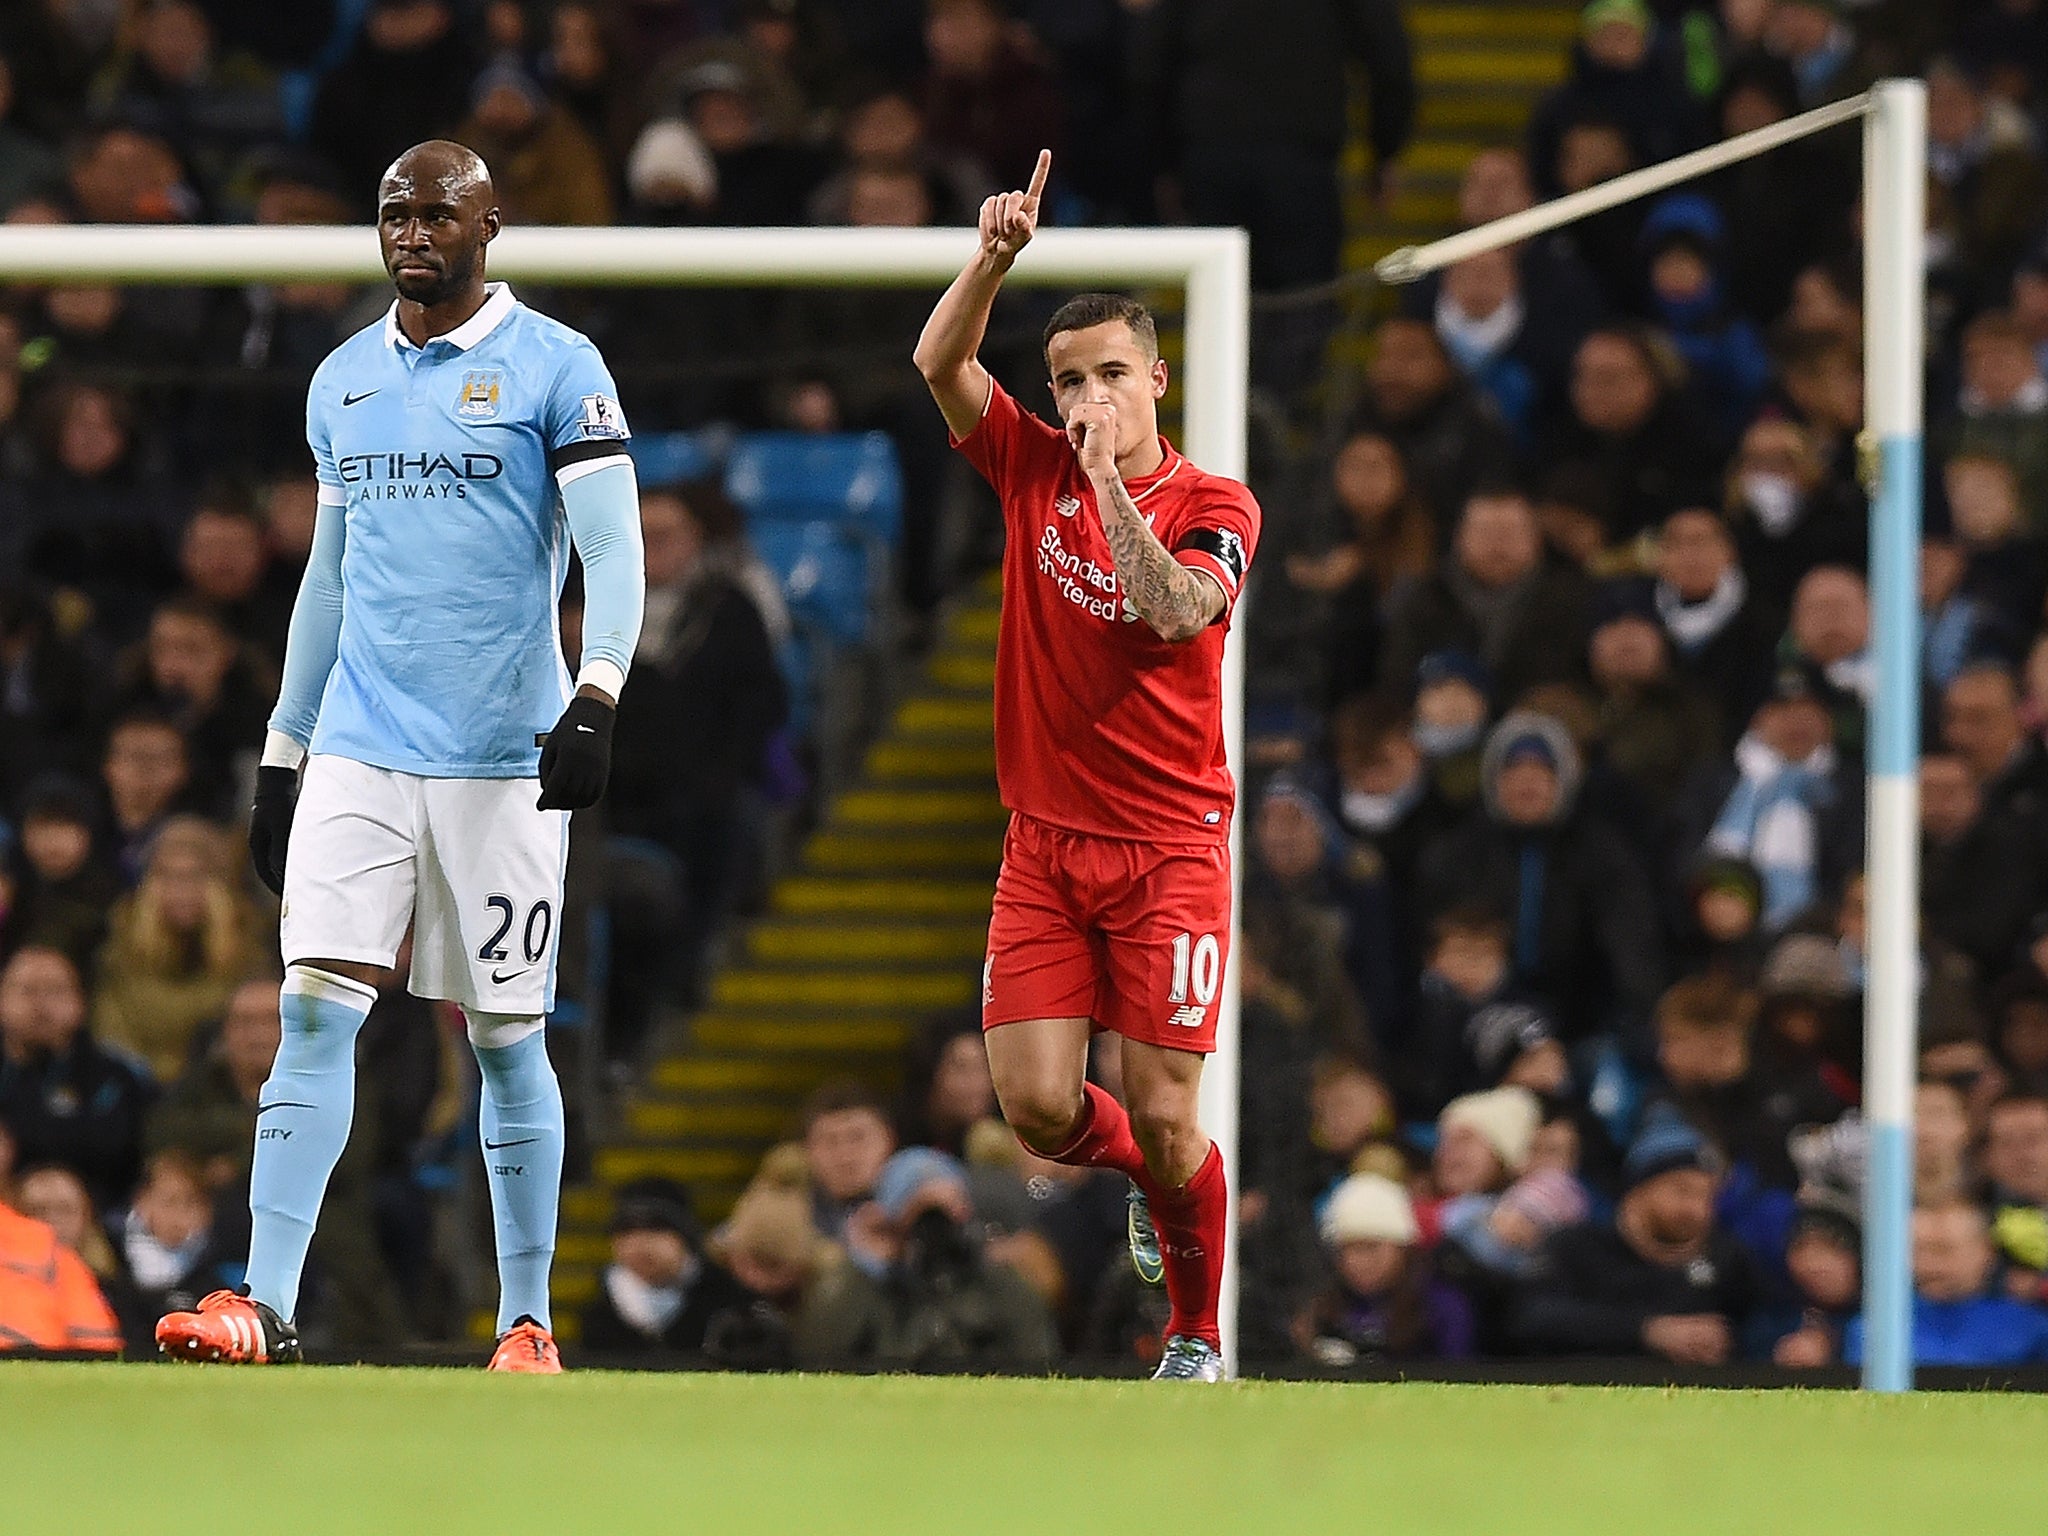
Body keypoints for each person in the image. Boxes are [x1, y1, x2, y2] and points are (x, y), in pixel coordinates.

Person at [156, 142, 646, 1374]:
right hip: (362, 755)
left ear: (490, 223)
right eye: (393, 213)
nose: (411, 231)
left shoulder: (558, 368)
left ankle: (524, 1324)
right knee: (311, 1011)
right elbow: (328, 581)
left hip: (501, 761)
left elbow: (614, 551)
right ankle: (263, 1306)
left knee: (500, 1038)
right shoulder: (339, 380)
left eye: (437, 211)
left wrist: (595, 696)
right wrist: (282, 753)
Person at [915, 149, 1262, 1381]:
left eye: (1110, 373)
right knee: (1042, 1117)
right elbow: (937, 364)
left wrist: (1108, 478)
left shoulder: (1217, 501)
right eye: (1067, 378)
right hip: (1047, 844)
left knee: (1171, 1117)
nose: (1085, 397)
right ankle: (1139, 1183)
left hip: (1172, 850)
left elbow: (1171, 610)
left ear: (1156, 377)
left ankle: (1195, 1337)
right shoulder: (1025, 466)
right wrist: (993, 257)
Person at [1515, 1113, 1760, 1361]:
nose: (1696, 1209)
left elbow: (1759, 1326)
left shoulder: (1726, 1258)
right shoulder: (1576, 1246)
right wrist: (1647, 1331)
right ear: (1639, 1189)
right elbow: (1534, 1317)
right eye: (1681, 1190)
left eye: (1707, 1196)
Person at [0, 946, 154, 1213]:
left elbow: (117, 1150)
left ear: (80, 1000)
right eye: (27, 991)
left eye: (55, 991)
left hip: (100, 1216)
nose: (41, 1005)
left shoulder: (115, 1076)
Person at [1294, 1172, 1474, 1365]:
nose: (1358, 1261)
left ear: (1403, 1249)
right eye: (1348, 1249)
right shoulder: (1323, 1309)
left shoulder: (1442, 1308)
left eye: (1370, 1247)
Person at [1844, 1202, 2048, 1368]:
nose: (1929, 1265)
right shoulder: (1873, 1329)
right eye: (1918, 1251)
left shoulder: (2032, 1330)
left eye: (1943, 1250)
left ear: (1986, 1251)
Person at [577, 1179, 750, 1357]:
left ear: (684, 1236)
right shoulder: (601, 1313)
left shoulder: (726, 1299)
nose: (640, 1243)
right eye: (626, 1231)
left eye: (656, 1228)